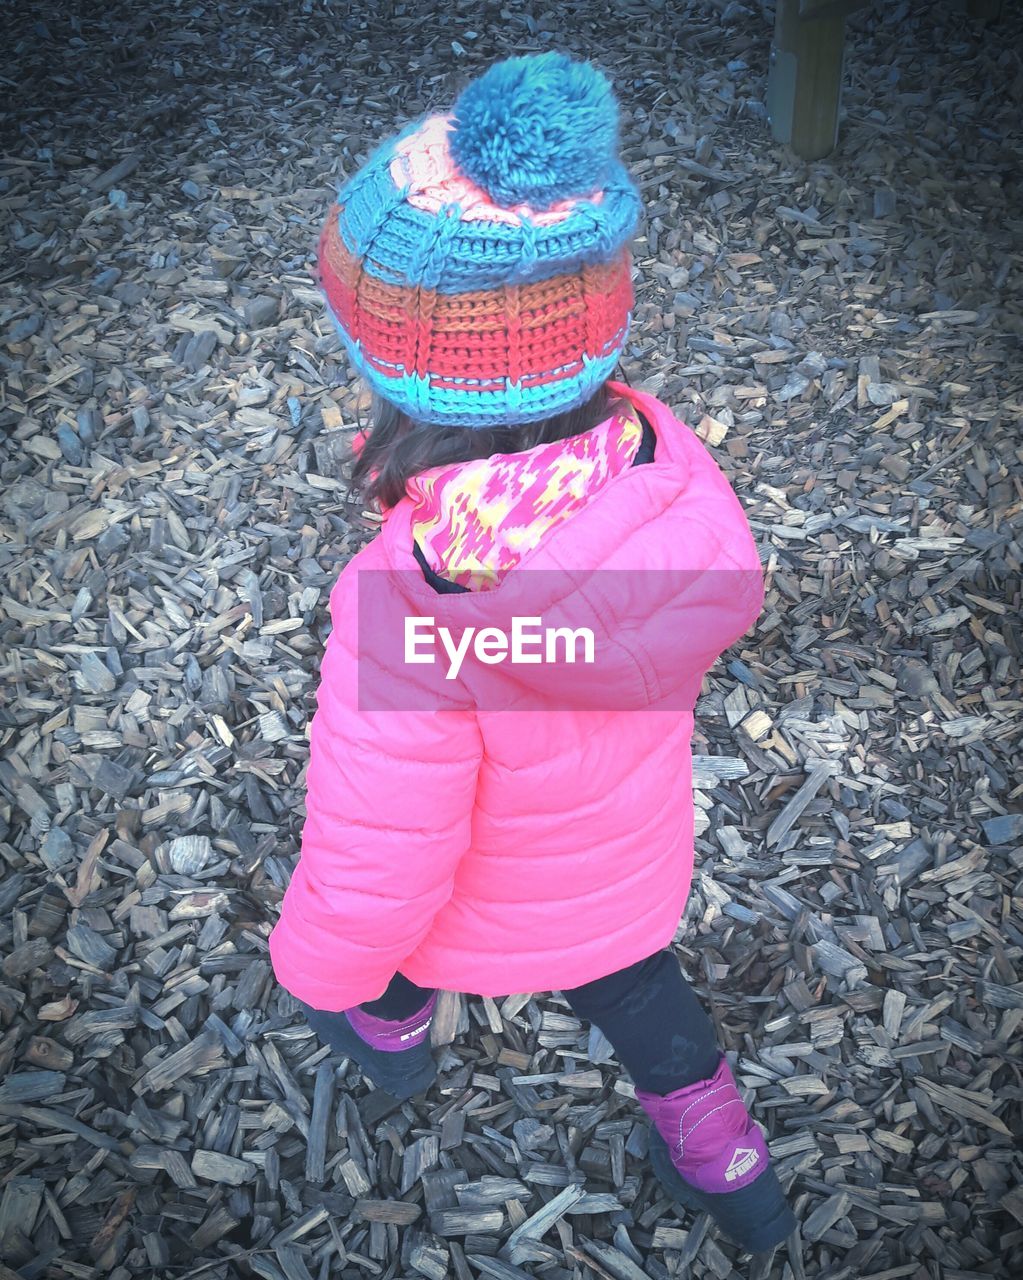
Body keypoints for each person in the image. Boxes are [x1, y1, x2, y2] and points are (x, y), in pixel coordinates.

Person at [268, 50, 796, 1254]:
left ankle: (397, 1036)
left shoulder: (408, 604)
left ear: (407, 378)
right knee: (643, 1000)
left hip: (478, 898)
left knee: (391, 965)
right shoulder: (666, 481)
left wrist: (319, 968)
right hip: (623, 866)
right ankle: (729, 1156)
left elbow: (382, 849)